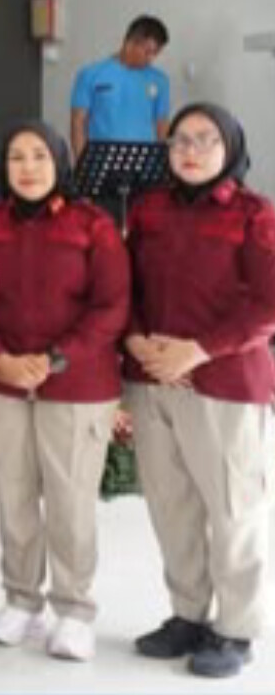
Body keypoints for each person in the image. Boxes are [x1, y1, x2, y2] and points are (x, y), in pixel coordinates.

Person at [0, 120, 128, 661]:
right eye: (16, 157)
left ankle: (75, 611)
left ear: (60, 161)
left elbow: (112, 306)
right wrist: (2, 358)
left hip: (77, 384)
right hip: (1, 381)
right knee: (13, 496)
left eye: (39, 156)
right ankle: (21, 601)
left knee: (70, 501)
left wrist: (54, 359)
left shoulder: (93, 224)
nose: (28, 167)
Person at [124, 103, 275, 679]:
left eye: (205, 140)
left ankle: (236, 629)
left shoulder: (253, 214)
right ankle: (188, 614)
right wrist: (136, 341)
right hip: (151, 378)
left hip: (224, 383)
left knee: (233, 510)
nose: (190, 151)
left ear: (229, 147)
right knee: (171, 506)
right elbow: (123, 287)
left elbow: (268, 304)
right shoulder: (149, 209)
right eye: (181, 140)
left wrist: (197, 351)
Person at [69, 14, 172, 159]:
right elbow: (78, 123)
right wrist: (82, 163)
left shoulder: (160, 80)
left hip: (143, 162)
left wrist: (163, 162)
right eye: (147, 52)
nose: (151, 59)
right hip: (101, 161)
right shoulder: (90, 75)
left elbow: (162, 126)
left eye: (155, 53)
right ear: (130, 42)